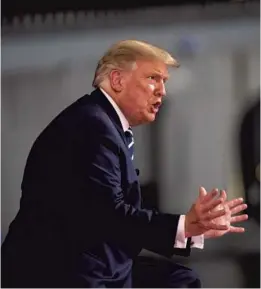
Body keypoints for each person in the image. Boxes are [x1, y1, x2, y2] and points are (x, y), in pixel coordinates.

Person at [1, 40, 248, 288]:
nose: (162, 90)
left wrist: (192, 230)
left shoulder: (103, 122)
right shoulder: (93, 127)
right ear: (118, 80)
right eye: (153, 78)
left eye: (165, 82)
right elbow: (111, 215)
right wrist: (184, 226)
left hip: (93, 260)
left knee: (181, 280)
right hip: (59, 271)